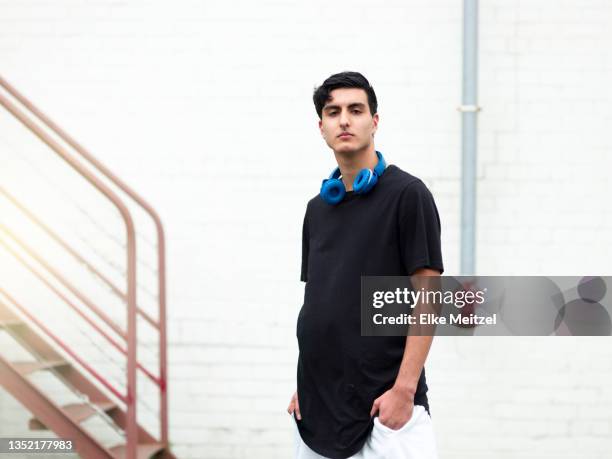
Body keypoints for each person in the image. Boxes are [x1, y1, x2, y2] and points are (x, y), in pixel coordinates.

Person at [287, 71, 444, 459]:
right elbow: (322, 304)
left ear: (374, 122)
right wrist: (306, 383)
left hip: (386, 414)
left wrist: (404, 391)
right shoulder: (317, 209)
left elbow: (429, 298)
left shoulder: (408, 195)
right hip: (317, 411)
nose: (344, 120)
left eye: (355, 110)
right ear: (320, 127)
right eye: (333, 111)